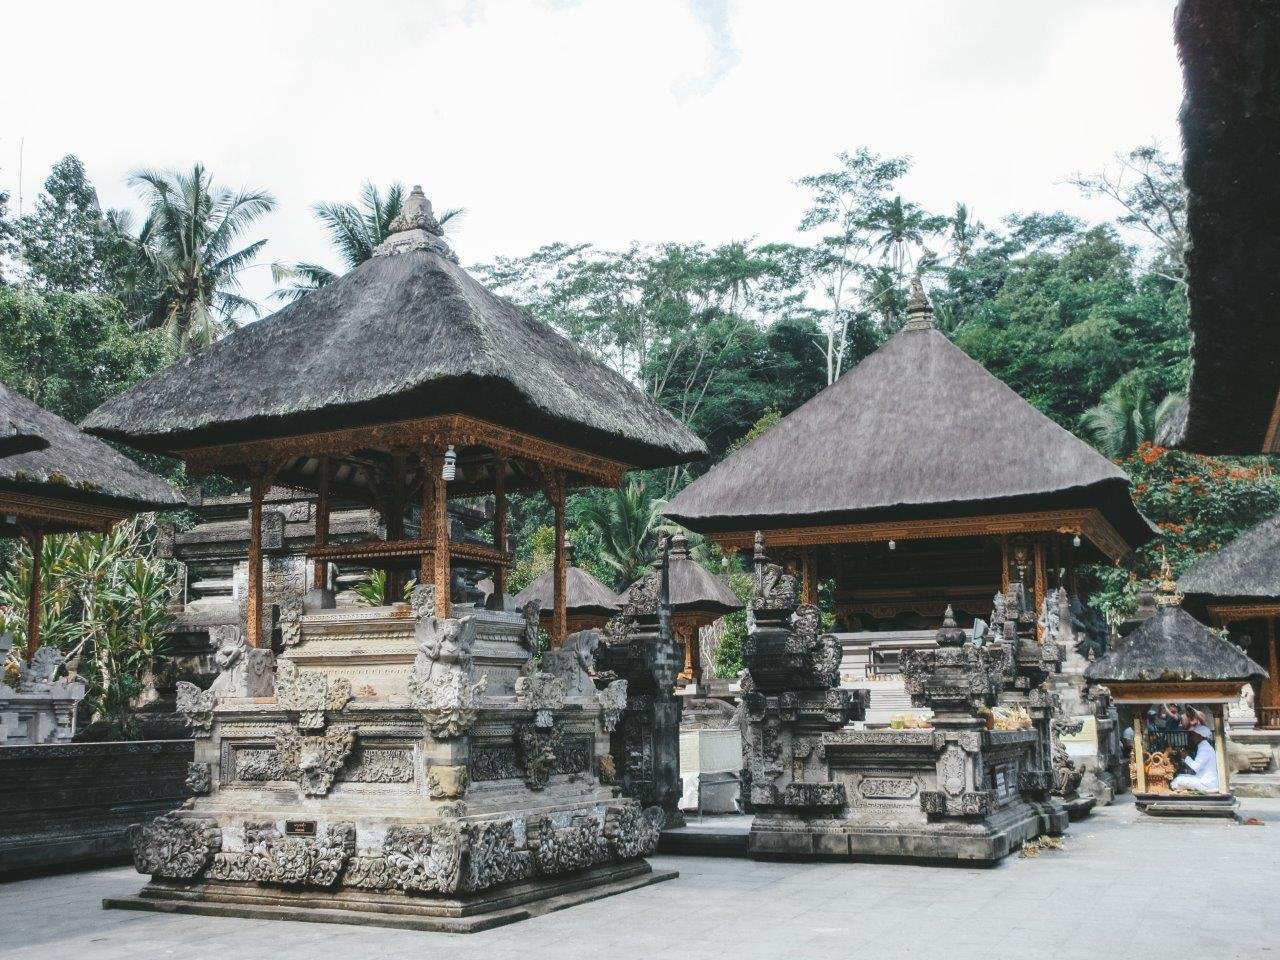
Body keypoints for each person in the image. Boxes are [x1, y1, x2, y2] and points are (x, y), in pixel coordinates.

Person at [1171, 723, 1220, 792]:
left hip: (1207, 783)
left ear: (1200, 736)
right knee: (1179, 776)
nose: (1191, 737)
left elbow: (1196, 767)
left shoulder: (1204, 748)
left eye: (1193, 735)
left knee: (1177, 781)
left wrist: (1186, 757)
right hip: (1204, 780)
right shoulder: (1204, 746)